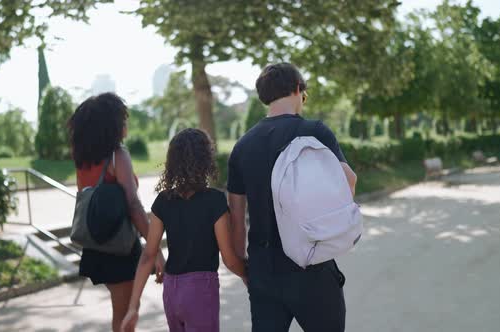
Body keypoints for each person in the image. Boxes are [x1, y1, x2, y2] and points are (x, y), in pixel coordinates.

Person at [227, 63, 357, 332]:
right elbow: (349, 182)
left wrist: (245, 270)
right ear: (298, 90)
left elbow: (236, 220)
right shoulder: (314, 131)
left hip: (263, 269)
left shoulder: (242, 146)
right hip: (312, 263)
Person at [121, 128, 247, 332]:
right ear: (206, 159)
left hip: (172, 290)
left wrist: (133, 307)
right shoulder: (214, 201)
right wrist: (248, 276)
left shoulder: (163, 200)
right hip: (201, 290)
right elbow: (229, 258)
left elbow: (148, 255)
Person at [68, 92, 165, 332]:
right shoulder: (117, 155)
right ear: (111, 125)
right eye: (123, 118)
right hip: (119, 246)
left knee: (121, 311)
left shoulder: (84, 158)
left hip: (96, 244)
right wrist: (154, 250)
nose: (126, 123)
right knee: (125, 315)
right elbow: (133, 205)